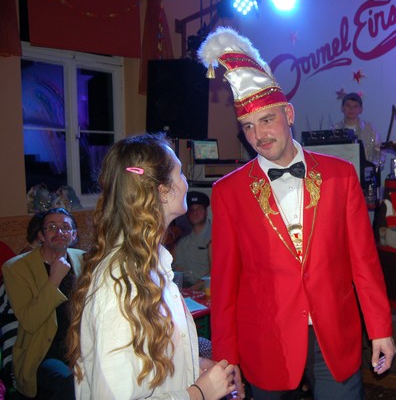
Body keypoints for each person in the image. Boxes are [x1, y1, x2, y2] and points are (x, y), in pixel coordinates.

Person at [198, 27, 395, 399]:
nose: (259, 135)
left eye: (267, 120)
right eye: (248, 127)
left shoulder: (341, 176)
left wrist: (380, 328)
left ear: (288, 114)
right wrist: (226, 360)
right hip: (266, 340)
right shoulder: (228, 192)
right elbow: (224, 284)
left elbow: (364, 262)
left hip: (333, 334)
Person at [66, 133, 236, 399]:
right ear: (162, 190)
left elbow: (149, 362)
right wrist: (199, 393)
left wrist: (194, 365)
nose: (185, 183)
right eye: (180, 173)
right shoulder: (118, 283)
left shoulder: (153, 264)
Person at [2, 207, 84, 399]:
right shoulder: (16, 268)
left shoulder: (83, 259)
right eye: (52, 227)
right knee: (70, 384)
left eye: (66, 227)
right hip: (42, 353)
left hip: (80, 349)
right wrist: (54, 280)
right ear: (41, 235)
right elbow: (30, 322)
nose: (60, 232)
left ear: (74, 235)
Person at [332, 92, 384, 168]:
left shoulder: (370, 129)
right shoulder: (335, 130)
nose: (351, 109)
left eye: (355, 106)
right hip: (342, 172)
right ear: (342, 108)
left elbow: (380, 153)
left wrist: (371, 168)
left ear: (361, 109)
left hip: (365, 173)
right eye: (348, 105)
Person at [173, 191, 211, 288]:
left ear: (206, 212)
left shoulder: (216, 236)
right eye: (191, 209)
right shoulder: (182, 239)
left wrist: (193, 289)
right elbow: (177, 266)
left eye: (199, 209)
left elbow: (216, 270)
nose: (195, 212)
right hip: (184, 287)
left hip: (207, 288)